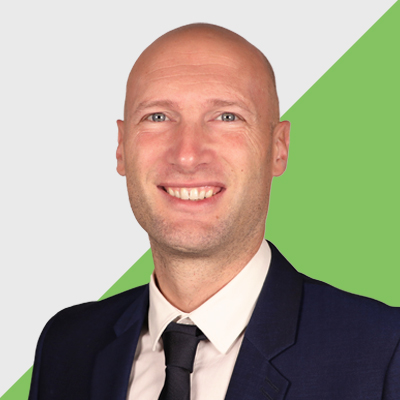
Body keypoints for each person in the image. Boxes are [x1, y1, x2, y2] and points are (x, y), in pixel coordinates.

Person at [28, 23, 400, 400]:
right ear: (122, 147)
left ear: (278, 148)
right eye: (158, 117)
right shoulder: (67, 346)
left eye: (226, 117)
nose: (187, 155)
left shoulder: (385, 351)